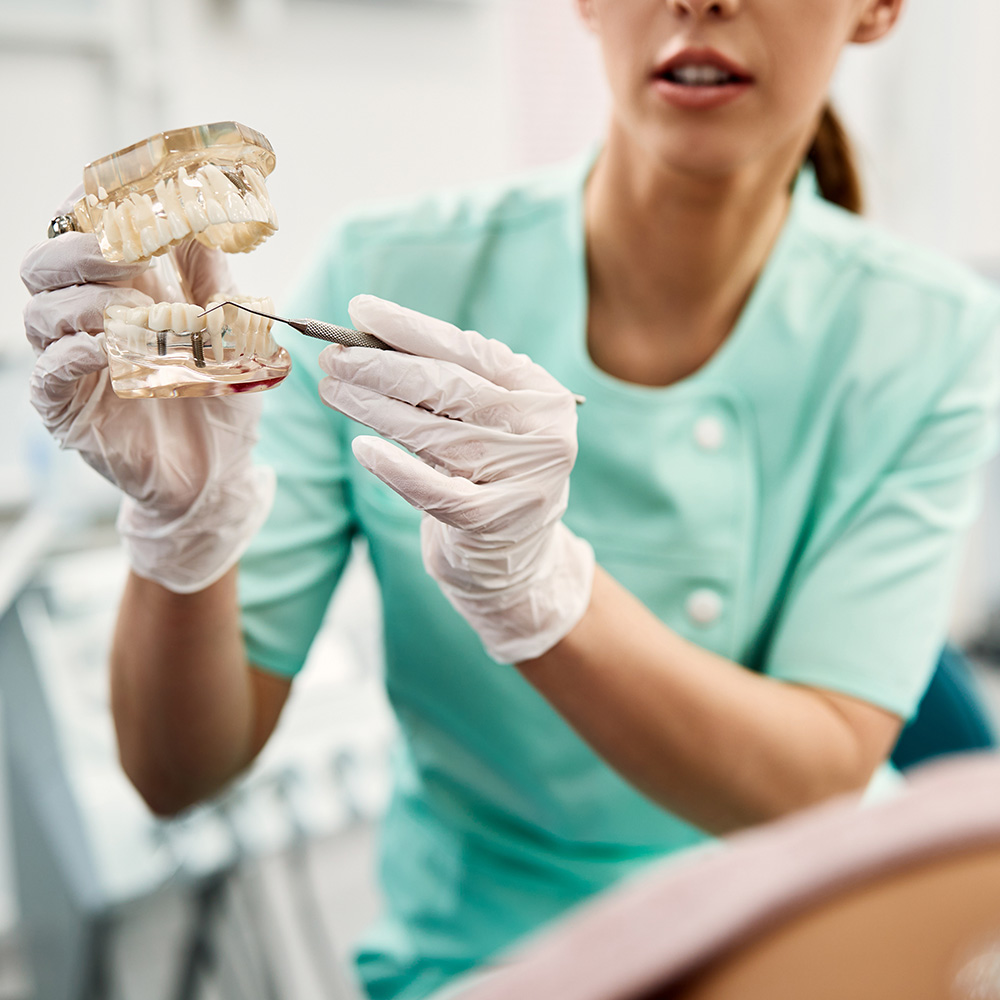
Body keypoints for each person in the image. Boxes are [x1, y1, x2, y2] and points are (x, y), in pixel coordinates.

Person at [20, 0, 1000, 998]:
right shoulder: (386, 272)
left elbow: (814, 786)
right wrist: (181, 531)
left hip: (799, 928)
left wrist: (538, 589)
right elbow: (179, 772)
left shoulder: (928, 333)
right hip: (489, 965)